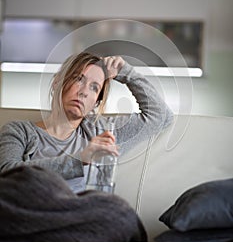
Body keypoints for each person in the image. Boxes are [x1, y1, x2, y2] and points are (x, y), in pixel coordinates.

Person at [0, 52, 173, 193]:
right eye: (78, 79)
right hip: (32, 213)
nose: (84, 92)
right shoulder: (18, 131)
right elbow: (8, 173)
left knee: (121, 215)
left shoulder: (103, 133)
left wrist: (126, 73)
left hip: (81, 217)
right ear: (56, 82)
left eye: (94, 87)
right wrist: (81, 159)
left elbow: (161, 116)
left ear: (95, 102)